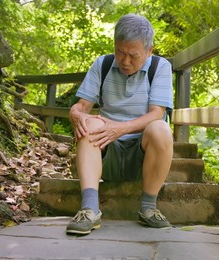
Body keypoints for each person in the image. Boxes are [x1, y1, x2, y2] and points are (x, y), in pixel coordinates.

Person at [66, 13, 174, 235]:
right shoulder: (103, 64)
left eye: (133, 55)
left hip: (143, 156)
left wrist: (120, 128)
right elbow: (82, 106)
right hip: (106, 155)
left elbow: (156, 114)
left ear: (149, 51)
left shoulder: (160, 67)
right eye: (120, 53)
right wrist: (75, 113)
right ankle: (89, 209)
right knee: (89, 123)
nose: (125, 61)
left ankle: (148, 208)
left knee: (161, 127)